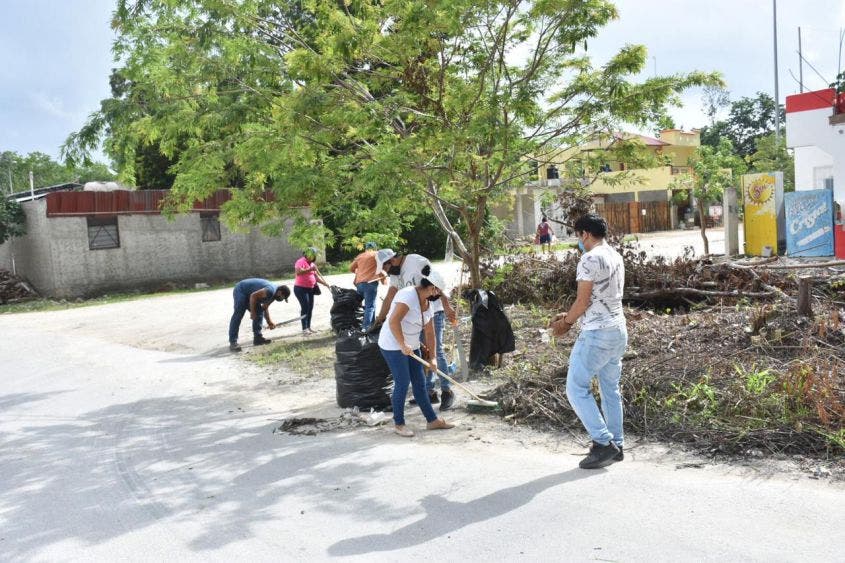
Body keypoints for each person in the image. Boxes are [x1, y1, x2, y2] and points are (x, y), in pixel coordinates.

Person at [549, 213, 627, 469]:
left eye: (577, 235)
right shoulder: (614, 255)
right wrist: (569, 314)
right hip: (617, 330)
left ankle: (603, 443)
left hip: (597, 334)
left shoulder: (589, 259)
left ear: (585, 234)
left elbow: (582, 301)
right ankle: (616, 444)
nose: (578, 241)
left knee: (575, 388)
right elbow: (598, 298)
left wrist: (566, 323)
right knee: (610, 389)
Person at [374, 249, 457, 410]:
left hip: (433, 311)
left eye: (386, 268)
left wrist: (447, 306)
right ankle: (429, 392)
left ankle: (447, 391)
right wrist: (380, 318)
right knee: (423, 353)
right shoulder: (395, 275)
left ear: (391, 260)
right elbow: (391, 296)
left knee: (436, 351)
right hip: (415, 315)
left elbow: (436, 281)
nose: (386, 272)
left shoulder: (416, 261)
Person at [378, 271, 454, 437]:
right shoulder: (408, 296)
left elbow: (430, 333)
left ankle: (432, 420)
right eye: (439, 293)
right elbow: (393, 321)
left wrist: (433, 358)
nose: (440, 296)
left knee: (420, 383)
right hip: (392, 344)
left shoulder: (428, 303)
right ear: (433, 288)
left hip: (411, 346)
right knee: (403, 382)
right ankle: (399, 424)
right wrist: (402, 344)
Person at [229, 278, 291, 352]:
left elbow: (264, 308)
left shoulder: (273, 296)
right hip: (241, 290)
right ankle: (233, 342)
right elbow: (253, 296)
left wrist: (269, 322)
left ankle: (258, 338)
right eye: (283, 298)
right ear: (280, 292)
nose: (282, 300)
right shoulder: (270, 291)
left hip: (251, 294)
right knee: (238, 314)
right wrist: (252, 312)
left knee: (259, 312)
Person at [294, 247, 330, 335]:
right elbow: (298, 272)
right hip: (300, 288)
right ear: (306, 254)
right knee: (305, 307)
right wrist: (310, 269)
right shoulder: (300, 261)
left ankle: (308, 327)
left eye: (313, 255)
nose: (312, 256)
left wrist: (325, 283)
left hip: (310, 288)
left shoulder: (312, 264)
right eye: (310, 254)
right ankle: (304, 329)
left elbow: (316, 277)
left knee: (310, 308)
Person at [349, 242, 384, 330]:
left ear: (366, 248)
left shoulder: (360, 256)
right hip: (370, 283)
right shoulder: (376, 254)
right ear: (375, 248)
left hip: (359, 284)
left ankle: (372, 325)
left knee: (370, 304)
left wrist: (359, 272)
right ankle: (366, 328)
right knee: (370, 306)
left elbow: (351, 268)